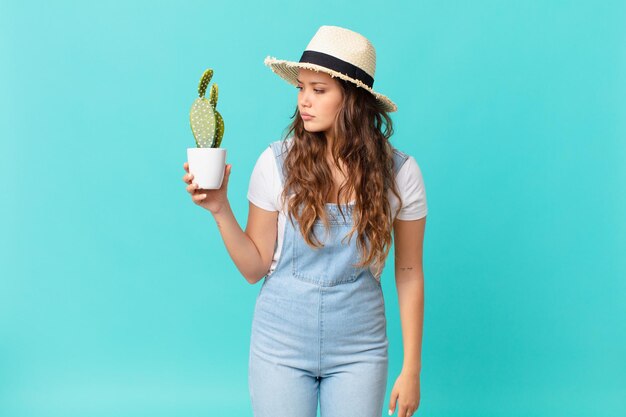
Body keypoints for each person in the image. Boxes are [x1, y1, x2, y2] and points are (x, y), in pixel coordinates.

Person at [182, 25, 427, 417]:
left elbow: (410, 271)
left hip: (359, 351)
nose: (304, 102)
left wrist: (411, 368)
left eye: (319, 90)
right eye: (301, 88)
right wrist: (219, 208)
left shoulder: (401, 174)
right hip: (279, 346)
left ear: (353, 99)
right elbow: (254, 267)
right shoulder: (276, 164)